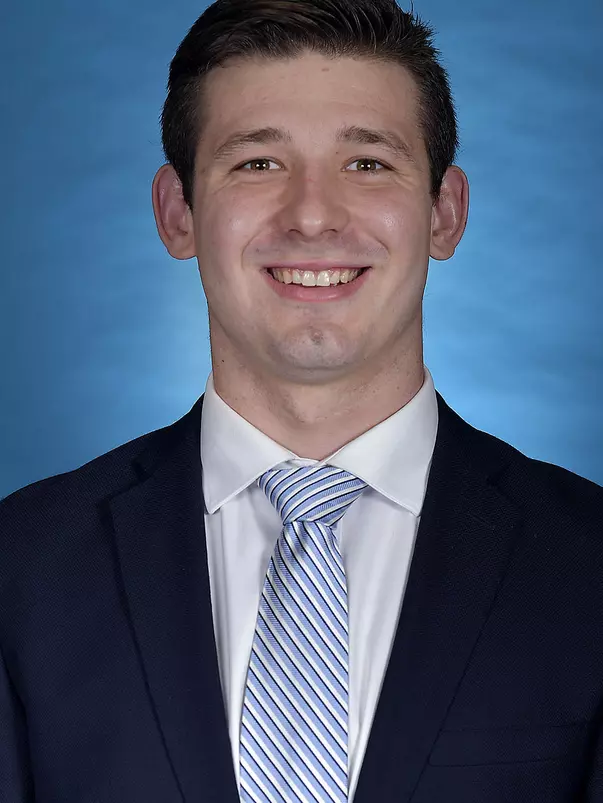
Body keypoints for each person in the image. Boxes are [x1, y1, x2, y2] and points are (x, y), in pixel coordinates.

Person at [1, 0, 602, 800]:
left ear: (444, 213)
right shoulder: (21, 568)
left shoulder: (587, 564)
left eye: (367, 163)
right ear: (178, 214)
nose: (313, 214)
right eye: (257, 163)